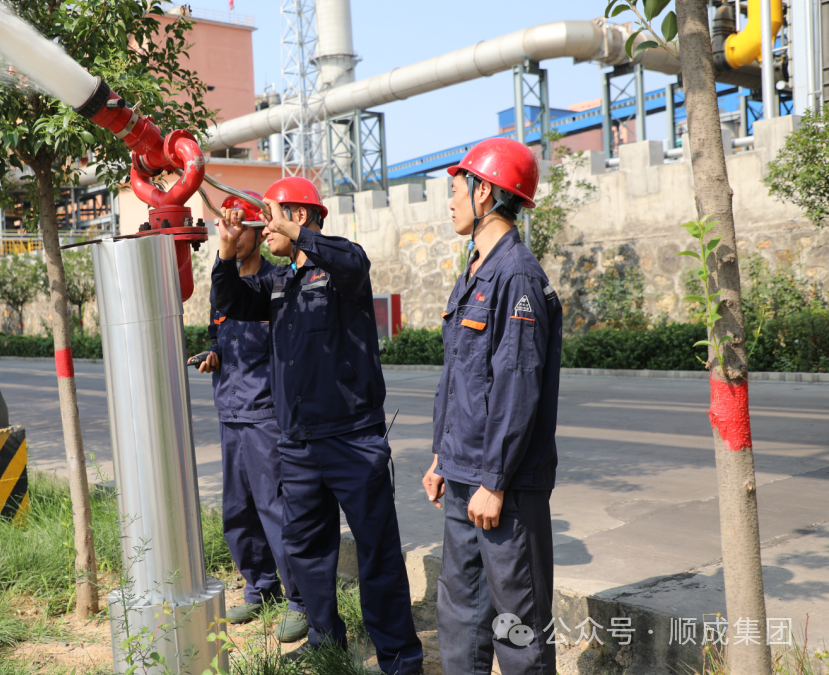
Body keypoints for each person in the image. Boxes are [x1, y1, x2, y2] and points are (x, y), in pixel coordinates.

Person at [212, 177, 423, 675]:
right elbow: (231, 303)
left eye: (272, 216)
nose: (264, 228)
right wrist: (224, 254)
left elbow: (352, 260)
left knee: (377, 553)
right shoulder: (279, 282)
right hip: (299, 445)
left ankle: (397, 657)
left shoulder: (342, 269)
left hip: (352, 440)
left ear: (299, 217)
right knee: (305, 549)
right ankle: (327, 639)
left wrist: (296, 233)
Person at [420, 138, 562, 675]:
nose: (450, 202)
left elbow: (517, 385)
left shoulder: (517, 275)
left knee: (517, 627)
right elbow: (459, 375)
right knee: (460, 617)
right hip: (462, 475)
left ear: (485, 193)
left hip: (503, 484)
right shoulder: (476, 270)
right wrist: (441, 456)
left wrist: (495, 480)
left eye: (456, 189)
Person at [197, 191, 308, 644]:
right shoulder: (223, 284)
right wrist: (212, 354)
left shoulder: (277, 283)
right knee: (237, 510)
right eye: (227, 226)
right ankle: (259, 585)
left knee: (276, 508)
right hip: (231, 412)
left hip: (266, 415)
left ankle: (300, 599)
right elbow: (217, 332)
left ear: (259, 232)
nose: (233, 233)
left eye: (240, 225)